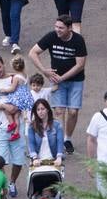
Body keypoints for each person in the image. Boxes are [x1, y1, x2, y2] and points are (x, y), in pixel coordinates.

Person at [28, 17, 88, 155]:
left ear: (69, 28)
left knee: (73, 112)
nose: (57, 30)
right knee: (59, 111)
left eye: (61, 28)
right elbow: (32, 53)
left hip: (75, 81)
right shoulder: (51, 36)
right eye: (56, 26)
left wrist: (63, 77)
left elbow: (80, 65)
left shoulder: (78, 40)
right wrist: (44, 70)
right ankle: (60, 142)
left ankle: (68, 138)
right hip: (56, 80)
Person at [0, 55, 26, 196]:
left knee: (19, 159)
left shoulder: (16, 78)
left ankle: (12, 182)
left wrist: (15, 108)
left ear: (3, 64)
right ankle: (2, 187)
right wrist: (4, 106)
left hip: (18, 125)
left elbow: (26, 100)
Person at [0, 55, 35, 140]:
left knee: (6, 109)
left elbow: (12, 89)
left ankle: (12, 123)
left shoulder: (16, 77)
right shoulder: (25, 75)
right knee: (17, 115)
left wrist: (4, 90)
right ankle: (16, 133)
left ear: (13, 67)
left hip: (18, 98)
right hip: (25, 99)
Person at [27, 98, 65, 167]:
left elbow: (60, 142)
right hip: (37, 161)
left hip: (54, 160)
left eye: (42, 109)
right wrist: (34, 158)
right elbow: (31, 143)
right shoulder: (32, 126)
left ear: (47, 109)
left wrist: (59, 157)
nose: (40, 112)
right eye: (38, 110)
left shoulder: (57, 125)